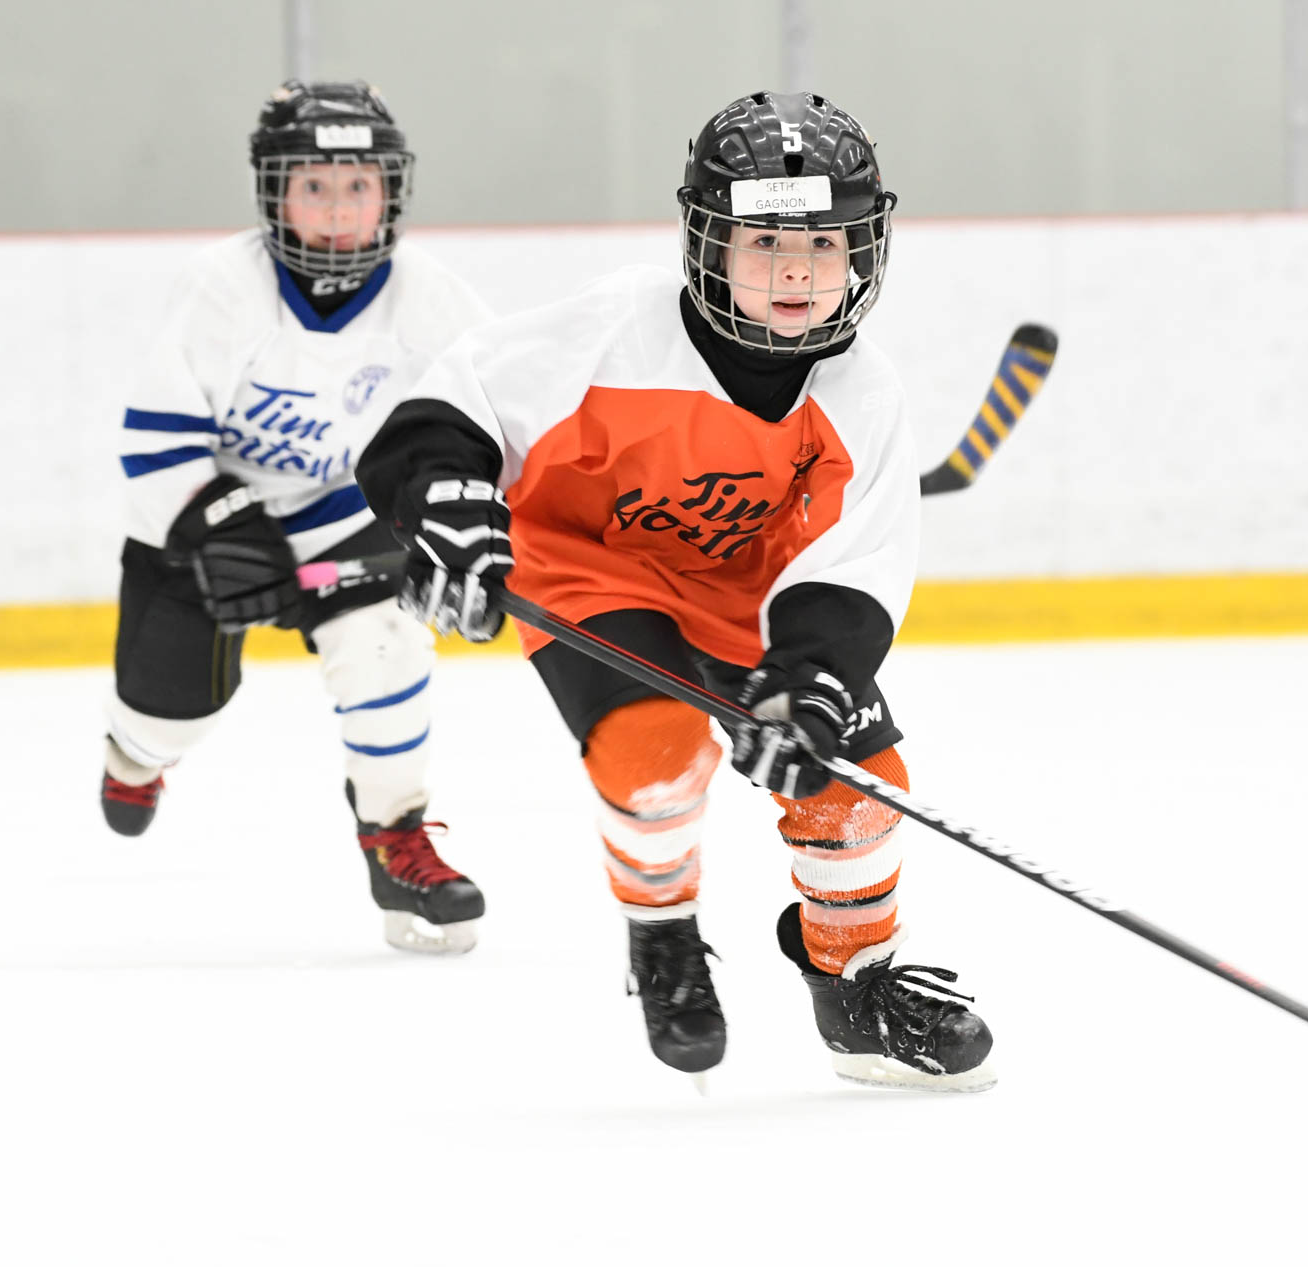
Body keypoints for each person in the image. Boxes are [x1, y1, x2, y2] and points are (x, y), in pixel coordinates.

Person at [356, 90, 996, 1091]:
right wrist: (442, 501)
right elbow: (456, 399)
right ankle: (662, 936)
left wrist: (811, 680)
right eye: (764, 241)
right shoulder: (620, 329)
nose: (796, 270)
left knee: (860, 789)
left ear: (865, 253)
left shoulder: (860, 393)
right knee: (653, 757)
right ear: (706, 241)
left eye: (825, 244)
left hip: (748, 597)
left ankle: (854, 986)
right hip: (590, 567)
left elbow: (850, 567)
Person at [102, 80, 493, 954]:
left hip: (336, 513)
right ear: (273, 191)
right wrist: (224, 524)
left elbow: (501, 421)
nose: (339, 208)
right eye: (313, 185)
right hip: (201, 508)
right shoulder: (222, 285)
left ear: (391, 189)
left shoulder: (430, 298)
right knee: (165, 713)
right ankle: (135, 753)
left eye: (360, 185)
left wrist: (478, 528)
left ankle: (395, 838)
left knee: (388, 635)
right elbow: (157, 439)